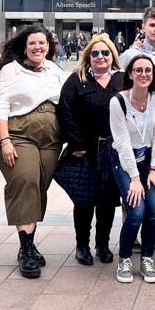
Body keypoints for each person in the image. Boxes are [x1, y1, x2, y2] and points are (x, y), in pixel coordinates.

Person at [0, 24, 64, 279]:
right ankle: (25, 250)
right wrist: (5, 141)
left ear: (49, 46)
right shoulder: (10, 71)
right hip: (19, 134)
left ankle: (30, 243)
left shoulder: (54, 70)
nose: (37, 47)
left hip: (51, 139)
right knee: (25, 182)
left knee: (39, 187)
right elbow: (0, 106)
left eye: (42, 43)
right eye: (32, 43)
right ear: (24, 47)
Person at [57, 33, 125, 266]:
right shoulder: (77, 80)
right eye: (95, 53)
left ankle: (102, 244)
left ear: (112, 55)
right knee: (84, 200)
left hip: (113, 151)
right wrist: (76, 144)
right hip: (85, 150)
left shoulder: (122, 79)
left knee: (108, 201)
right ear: (88, 56)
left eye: (105, 52)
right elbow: (65, 112)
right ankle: (82, 245)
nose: (100, 57)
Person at [111, 54, 155, 284]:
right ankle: (125, 258)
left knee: (153, 209)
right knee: (136, 210)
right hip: (125, 159)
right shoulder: (118, 101)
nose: (143, 74)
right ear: (130, 74)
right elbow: (122, 142)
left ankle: (147, 258)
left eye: (148, 70)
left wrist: (154, 168)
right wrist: (135, 178)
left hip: (152, 159)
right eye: (138, 70)